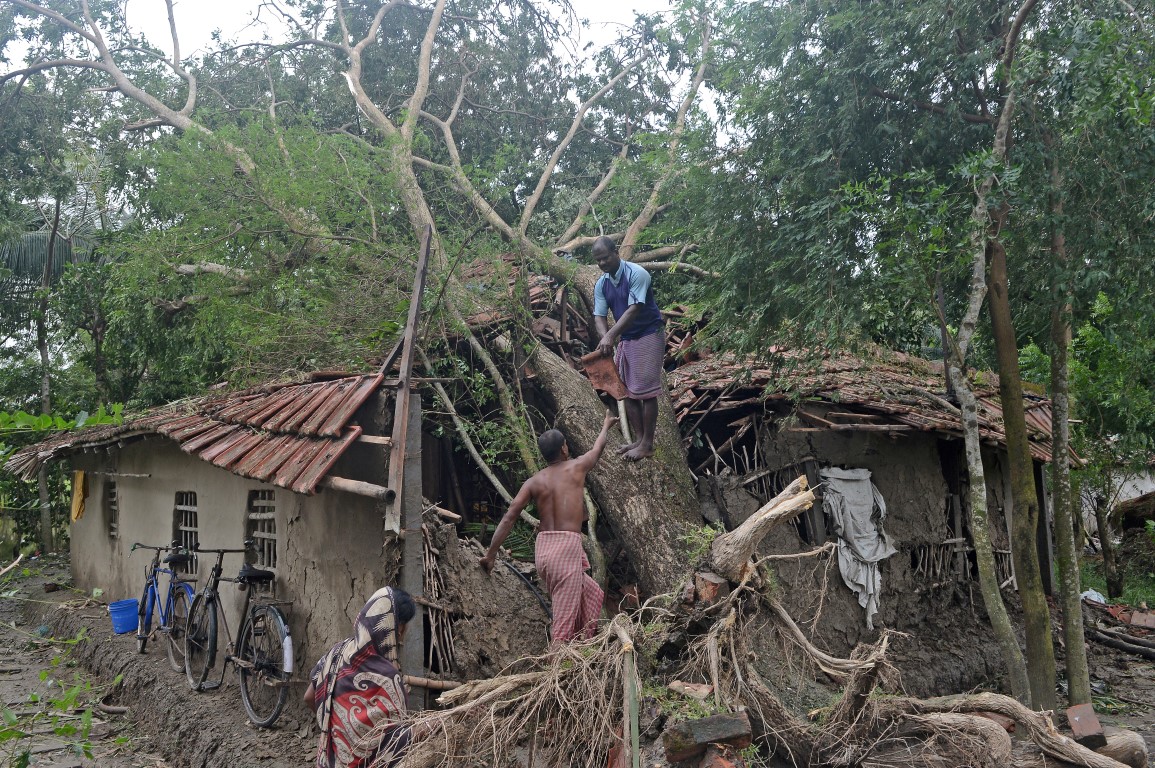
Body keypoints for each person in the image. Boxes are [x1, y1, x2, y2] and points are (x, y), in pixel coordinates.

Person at [480, 411, 619, 644]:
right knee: (562, 626)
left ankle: (582, 647)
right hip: (566, 550)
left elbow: (508, 518)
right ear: (564, 448)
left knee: (592, 592)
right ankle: (556, 671)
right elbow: (597, 449)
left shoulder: (534, 481)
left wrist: (491, 555)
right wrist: (605, 425)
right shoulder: (576, 467)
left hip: (543, 551)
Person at [304, 586, 416, 768]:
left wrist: (335, 728)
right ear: (398, 628)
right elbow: (395, 744)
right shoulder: (389, 678)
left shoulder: (336, 653)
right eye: (405, 626)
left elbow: (309, 697)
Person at [591, 236, 665, 461]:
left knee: (646, 390)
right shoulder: (602, 283)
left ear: (616, 252)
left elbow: (634, 309)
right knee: (628, 392)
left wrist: (611, 336)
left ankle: (648, 444)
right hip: (627, 338)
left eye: (605, 258)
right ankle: (639, 440)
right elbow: (599, 315)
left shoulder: (637, 274)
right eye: (598, 261)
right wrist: (606, 339)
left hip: (649, 333)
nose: (602, 264)